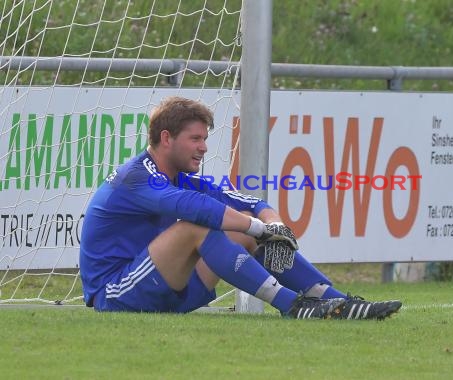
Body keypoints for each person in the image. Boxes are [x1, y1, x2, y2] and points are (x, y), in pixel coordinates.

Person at [79, 96, 402, 320]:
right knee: (197, 225)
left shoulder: (178, 176)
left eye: (204, 138)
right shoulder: (135, 176)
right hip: (118, 294)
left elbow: (248, 201)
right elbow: (196, 208)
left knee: (245, 224)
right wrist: (258, 227)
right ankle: (293, 305)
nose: (204, 147)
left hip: (166, 293)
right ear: (166, 138)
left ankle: (335, 301)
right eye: (195, 138)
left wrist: (272, 225)